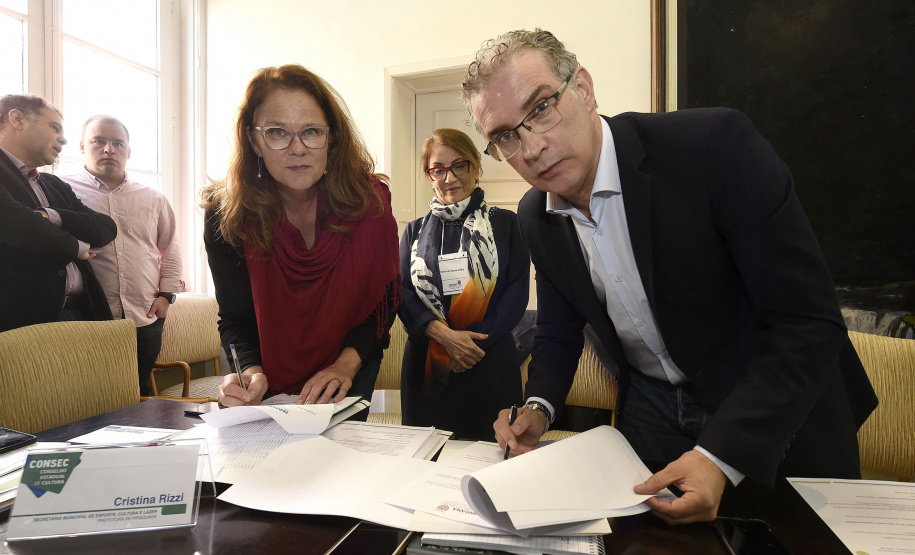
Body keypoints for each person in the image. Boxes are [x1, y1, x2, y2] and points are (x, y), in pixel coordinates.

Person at [463, 29, 878, 524]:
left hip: (770, 405)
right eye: (505, 136)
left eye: (540, 109)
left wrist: (719, 456)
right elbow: (557, 330)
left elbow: (808, 323)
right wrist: (540, 406)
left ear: (584, 88)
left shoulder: (713, 146)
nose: (529, 148)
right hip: (650, 409)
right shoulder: (535, 215)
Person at [202, 65, 400, 412]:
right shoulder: (227, 212)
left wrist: (346, 365)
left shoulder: (369, 203)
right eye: (277, 133)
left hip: (350, 368)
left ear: (331, 137)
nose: (297, 149)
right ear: (254, 140)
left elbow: (383, 302)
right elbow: (235, 318)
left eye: (311, 131)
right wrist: (249, 371)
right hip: (268, 383)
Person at [398, 128, 530, 440]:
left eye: (459, 165)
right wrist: (442, 335)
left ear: (475, 166)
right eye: (438, 169)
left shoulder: (506, 224)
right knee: (426, 461)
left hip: (489, 363)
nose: (449, 178)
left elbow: (516, 292)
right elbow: (401, 293)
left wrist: (468, 346)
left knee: (494, 462)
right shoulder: (413, 232)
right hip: (427, 367)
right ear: (429, 176)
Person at [64, 115, 184, 396]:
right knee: (92, 398)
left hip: (144, 316)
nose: (109, 149)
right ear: (83, 147)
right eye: (99, 141)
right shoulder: (64, 192)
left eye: (117, 143)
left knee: (140, 394)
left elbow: (171, 249)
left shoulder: (152, 198)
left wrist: (167, 296)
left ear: (128, 152)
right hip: (88, 317)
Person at [0, 94, 116, 333]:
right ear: (17, 119)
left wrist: (50, 215)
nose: (63, 140)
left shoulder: (54, 185)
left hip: (83, 313)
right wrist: (77, 247)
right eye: (54, 128)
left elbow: (105, 227)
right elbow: (14, 221)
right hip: (24, 322)